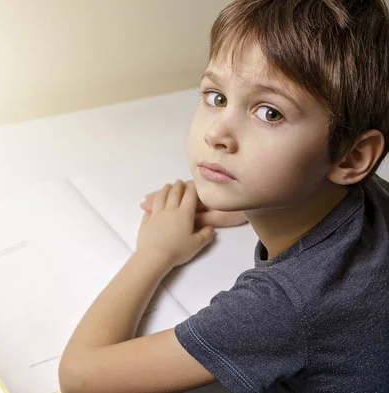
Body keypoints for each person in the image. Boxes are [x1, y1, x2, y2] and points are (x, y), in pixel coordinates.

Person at [58, 0, 389, 392]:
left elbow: (80, 377)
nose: (216, 134)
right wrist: (251, 206)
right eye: (216, 97)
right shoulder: (370, 196)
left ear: (352, 156)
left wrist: (155, 252)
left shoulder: (283, 306)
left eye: (270, 113)